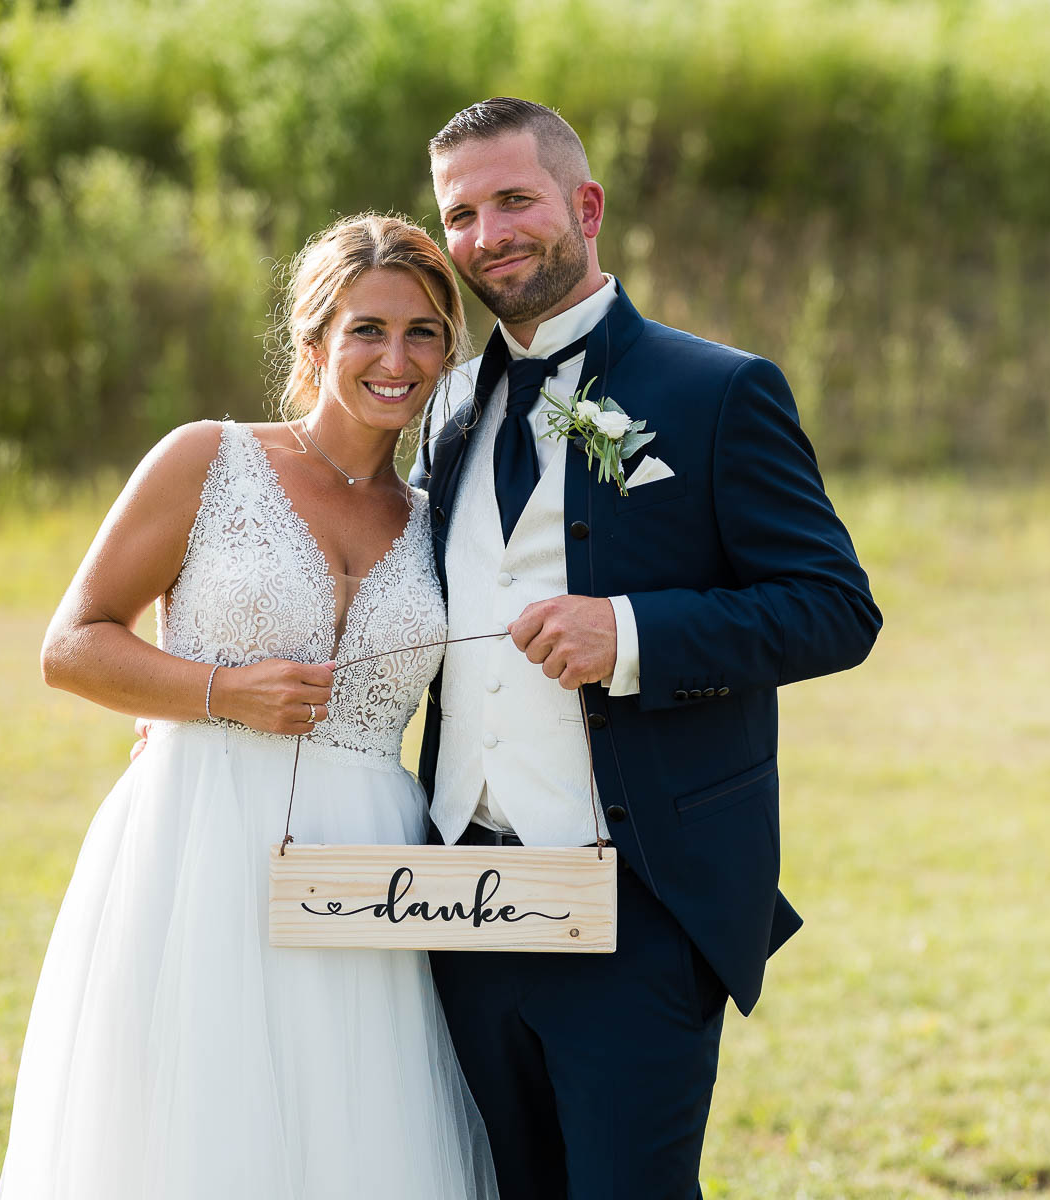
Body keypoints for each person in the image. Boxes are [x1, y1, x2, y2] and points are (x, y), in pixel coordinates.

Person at [412, 98, 882, 1199]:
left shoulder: (716, 392)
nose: (488, 234)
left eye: (514, 199)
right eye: (463, 213)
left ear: (585, 206)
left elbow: (833, 606)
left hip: (637, 902)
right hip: (457, 892)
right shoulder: (443, 409)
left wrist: (626, 632)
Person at [0, 214, 498, 1200]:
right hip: (201, 838)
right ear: (313, 342)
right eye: (367, 329)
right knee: (197, 1129)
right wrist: (218, 692)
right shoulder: (209, 460)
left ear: (448, 351)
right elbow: (73, 642)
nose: (396, 359)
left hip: (369, 862)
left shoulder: (443, 519)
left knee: (361, 1139)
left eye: (424, 333)